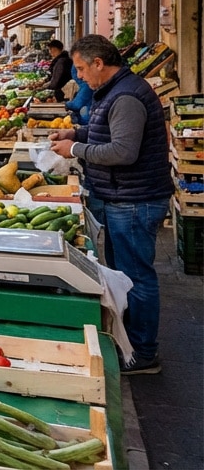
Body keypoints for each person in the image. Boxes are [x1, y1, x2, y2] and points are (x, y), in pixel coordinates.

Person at [50, 35, 172, 374]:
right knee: (124, 275)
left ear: (99, 63)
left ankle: (144, 352)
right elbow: (105, 132)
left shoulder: (128, 96)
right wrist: (76, 134)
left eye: (81, 69)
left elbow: (122, 151)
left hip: (134, 200)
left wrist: (75, 151)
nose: (79, 77)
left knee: (136, 278)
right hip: (124, 197)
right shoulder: (115, 91)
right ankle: (130, 341)